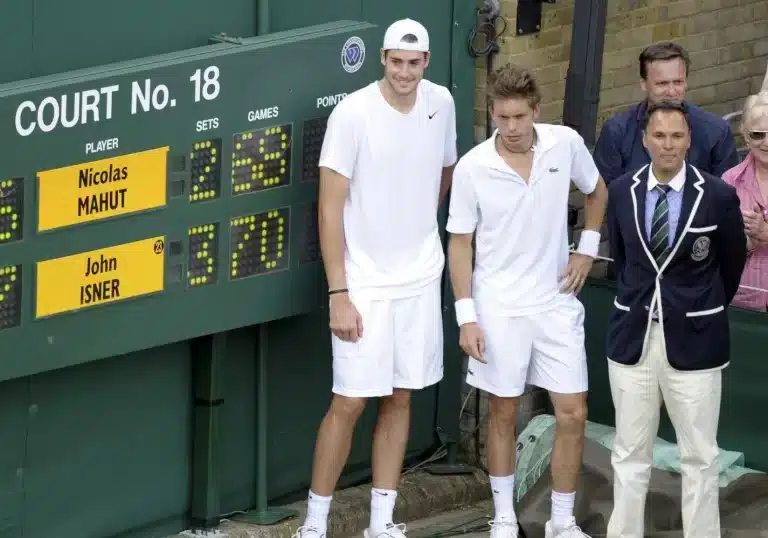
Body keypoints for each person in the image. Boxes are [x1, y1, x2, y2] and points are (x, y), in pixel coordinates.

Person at [292, 18, 457, 538]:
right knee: (350, 401)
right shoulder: (353, 113)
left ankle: (382, 524)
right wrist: (339, 292)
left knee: (403, 396)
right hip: (363, 285)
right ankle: (314, 527)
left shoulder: (443, 103)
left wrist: (415, 228)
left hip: (419, 278)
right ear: (382, 59)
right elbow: (329, 208)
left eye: (414, 63)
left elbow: (444, 172)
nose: (404, 72)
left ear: (425, 62)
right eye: (395, 61)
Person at [446, 63, 607, 538]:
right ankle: (501, 518)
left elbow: (597, 191)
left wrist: (586, 250)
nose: (511, 128)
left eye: (519, 117)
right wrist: (466, 318)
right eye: (502, 118)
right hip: (498, 307)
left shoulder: (566, 143)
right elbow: (460, 243)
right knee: (502, 410)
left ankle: (561, 521)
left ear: (536, 111)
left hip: (556, 302)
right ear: (493, 114)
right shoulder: (474, 166)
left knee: (573, 412)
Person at [604, 100, 747, 538]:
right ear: (645, 140)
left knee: (701, 457)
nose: (668, 145)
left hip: (697, 341)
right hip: (633, 338)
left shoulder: (718, 194)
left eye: (677, 136)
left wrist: (700, 309)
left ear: (690, 140)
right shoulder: (623, 189)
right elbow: (624, 261)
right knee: (629, 454)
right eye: (659, 136)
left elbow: (731, 263)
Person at [594, 42, 740, 184]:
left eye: (678, 82)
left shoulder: (716, 131)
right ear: (643, 84)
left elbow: (726, 198)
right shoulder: (616, 132)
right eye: (662, 84)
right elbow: (604, 196)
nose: (671, 92)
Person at [722, 89, 768, 312]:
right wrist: (743, 241)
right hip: (742, 303)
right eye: (758, 134)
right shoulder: (730, 181)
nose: (766, 143)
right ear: (744, 134)